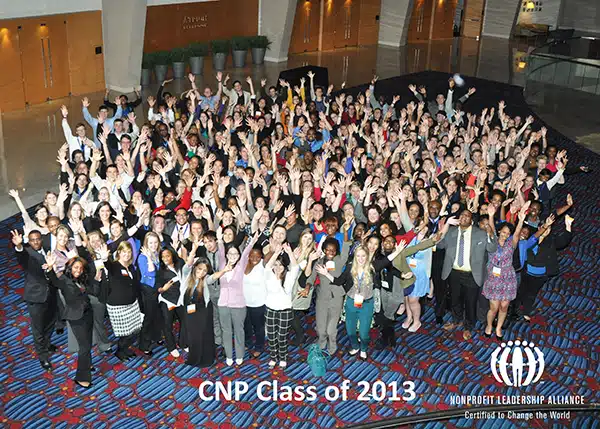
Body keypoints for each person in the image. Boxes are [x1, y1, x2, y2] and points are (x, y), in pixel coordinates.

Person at [437, 208, 498, 340]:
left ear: (471, 220)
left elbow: (492, 248)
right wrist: (443, 228)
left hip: (472, 274)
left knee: (470, 302)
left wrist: (490, 234)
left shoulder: (480, 234)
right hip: (454, 272)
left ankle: (468, 326)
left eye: (467, 215)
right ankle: (456, 320)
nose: (464, 217)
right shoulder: (451, 232)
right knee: (455, 299)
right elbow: (440, 245)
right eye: (462, 215)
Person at [43, 253, 96, 388]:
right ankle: (81, 377)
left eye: (80, 268)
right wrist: (50, 268)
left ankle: (87, 364)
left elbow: (92, 288)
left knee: (88, 343)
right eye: (75, 267)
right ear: (70, 268)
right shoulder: (64, 280)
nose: (78, 270)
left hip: (87, 313)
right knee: (84, 347)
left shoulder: (82, 279)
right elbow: (54, 280)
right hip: (75, 317)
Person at [482, 203, 530, 339]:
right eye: (503, 232)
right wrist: (491, 216)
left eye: (507, 233)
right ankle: (489, 325)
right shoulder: (493, 241)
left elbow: (516, 233)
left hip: (508, 277)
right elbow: (490, 229)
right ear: (499, 232)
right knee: (494, 307)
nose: (505, 235)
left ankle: (498, 328)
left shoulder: (511, 243)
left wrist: (520, 220)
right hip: (493, 277)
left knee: (504, 306)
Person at [12, 230, 58, 370]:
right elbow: (21, 256)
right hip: (36, 297)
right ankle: (43, 356)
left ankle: (47, 344)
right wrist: (19, 247)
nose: (36, 242)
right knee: (38, 328)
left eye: (38, 239)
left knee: (51, 322)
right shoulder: (28, 254)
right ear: (29, 242)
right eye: (32, 240)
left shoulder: (47, 250)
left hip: (51, 294)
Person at [217, 233, 260, 366]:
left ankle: (240, 355)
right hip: (223, 304)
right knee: (226, 331)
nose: (233, 256)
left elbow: (247, 252)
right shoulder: (222, 264)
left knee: (239, 330)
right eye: (230, 253)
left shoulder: (241, 265)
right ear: (227, 255)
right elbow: (220, 251)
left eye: (235, 254)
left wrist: (253, 241)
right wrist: (219, 238)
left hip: (238, 305)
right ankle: (229, 355)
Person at [98, 241, 143, 361]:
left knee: (134, 331)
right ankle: (120, 351)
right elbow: (107, 264)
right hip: (118, 306)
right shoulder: (114, 266)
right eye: (124, 252)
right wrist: (104, 258)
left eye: (129, 252)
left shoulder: (131, 267)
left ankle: (125, 348)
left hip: (132, 304)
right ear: (119, 252)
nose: (127, 254)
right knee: (125, 333)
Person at [263, 243, 300, 368]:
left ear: (285, 266)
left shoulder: (289, 276)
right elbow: (267, 266)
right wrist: (276, 253)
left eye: (281, 265)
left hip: (285, 311)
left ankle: (283, 357)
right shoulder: (268, 276)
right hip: (270, 310)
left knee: (282, 337)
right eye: (276, 265)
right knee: (272, 337)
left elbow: (295, 267)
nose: (278, 267)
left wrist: (289, 252)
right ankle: (274, 357)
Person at [243, 247, 267, 358]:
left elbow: (270, 257)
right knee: (246, 325)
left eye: (258, 256)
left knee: (258, 327)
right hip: (244, 301)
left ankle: (259, 346)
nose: (254, 258)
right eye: (252, 255)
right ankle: (248, 342)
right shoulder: (244, 263)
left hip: (259, 302)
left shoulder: (263, 264)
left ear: (261, 256)